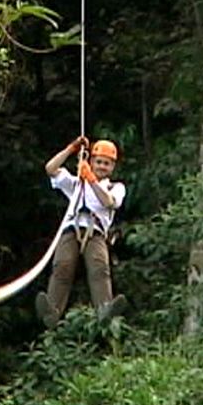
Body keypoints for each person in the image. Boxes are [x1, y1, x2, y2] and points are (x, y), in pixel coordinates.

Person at [36, 136, 127, 327]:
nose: (102, 166)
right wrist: (71, 149)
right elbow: (50, 169)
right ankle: (52, 311)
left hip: (96, 232)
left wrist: (92, 179)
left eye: (107, 163)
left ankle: (104, 309)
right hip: (72, 227)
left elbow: (108, 202)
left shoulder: (115, 187)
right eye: (99, 162)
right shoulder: (77, 183)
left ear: (113, 167)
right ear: (91, 161)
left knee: (99, 268)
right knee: (62, 266)